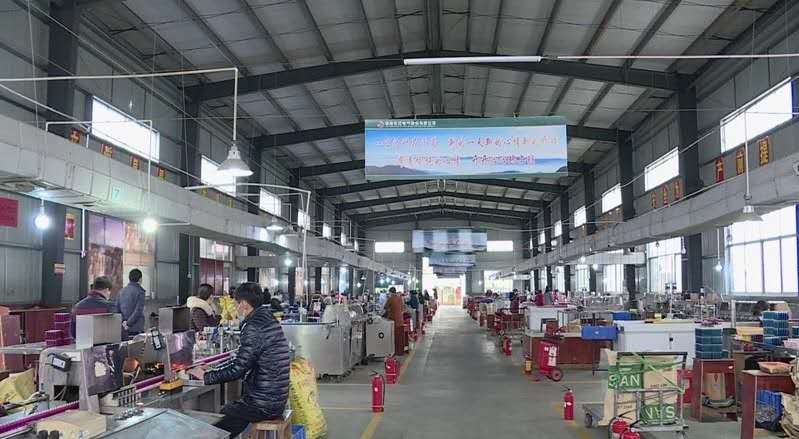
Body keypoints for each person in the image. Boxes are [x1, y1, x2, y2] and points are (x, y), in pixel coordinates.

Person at [188, 283, 290, 438]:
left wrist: (206, 376)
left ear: (244, 304)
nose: (236, 307)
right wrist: (213, 368)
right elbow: (242, 360)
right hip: (276, 398)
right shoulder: (268, 318)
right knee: (232, 413)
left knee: (223, 419)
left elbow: (238, 369)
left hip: (264, 404)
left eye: (236, 303)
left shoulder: (253, 326)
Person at [115, 269, 146, 337]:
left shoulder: (121, 291)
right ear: (140, 279)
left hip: (124, 328)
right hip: (136, 328)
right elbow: (138, 311)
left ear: (129, 278)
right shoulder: (140, 291)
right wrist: (128, 323)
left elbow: (117, 309)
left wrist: (124, 322)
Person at [383, 287, 405, 356]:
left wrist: (389, 310)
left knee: (394, 337)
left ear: (390, 292)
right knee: (400, 337)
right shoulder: (400, 298)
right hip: (400, 320)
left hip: (394, 320)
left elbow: (385, 307)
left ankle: (394, 351)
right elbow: (402, 308)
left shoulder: (391, 298)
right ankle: (400, 351)